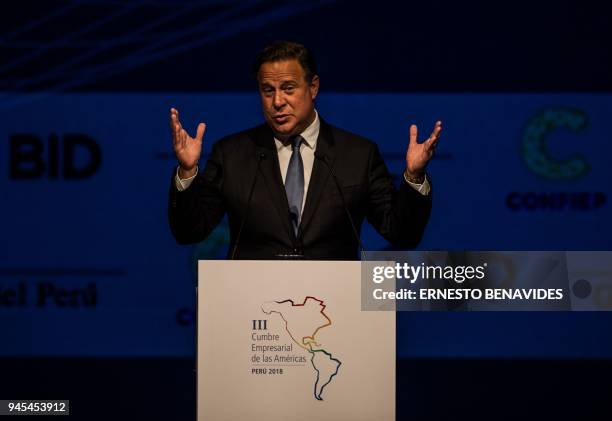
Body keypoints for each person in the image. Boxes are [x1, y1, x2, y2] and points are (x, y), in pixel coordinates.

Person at [168, 41, 441, 260]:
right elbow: (189, 232)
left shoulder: (358, 154)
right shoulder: (232, 153)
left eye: (288, 88)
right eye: (267, 90)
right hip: (255, 312)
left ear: (313, 87)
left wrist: (414, 177)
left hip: (335, 306)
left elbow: (400, 233)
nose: (277, 101)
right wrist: (188, 171)